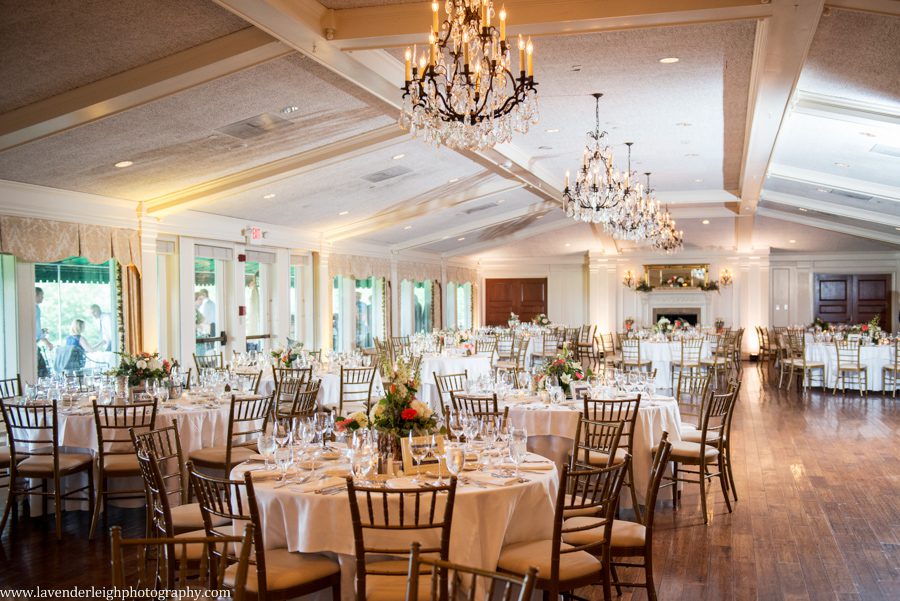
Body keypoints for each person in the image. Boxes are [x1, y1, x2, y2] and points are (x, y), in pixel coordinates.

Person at [35, 287, 53, 377]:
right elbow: (37, 327)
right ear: (36, 295)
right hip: (32, 345)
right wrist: (46, 341)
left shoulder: (35, 307)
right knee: (43, 373)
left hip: (34, 344)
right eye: (41, 295)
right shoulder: (35, 308)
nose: (43, 298)